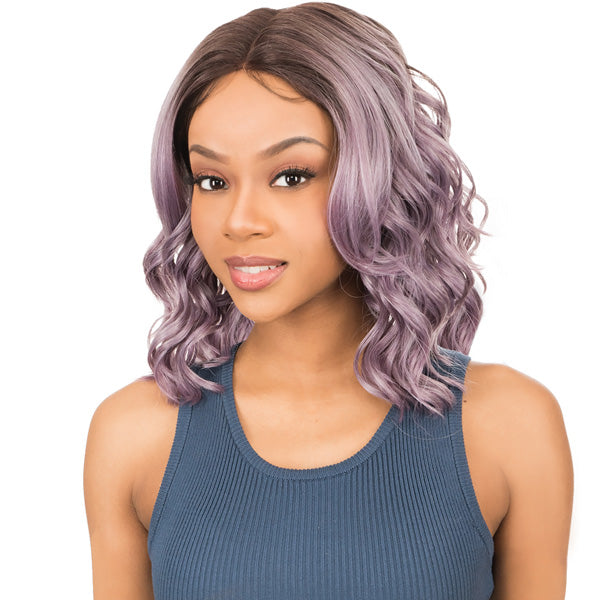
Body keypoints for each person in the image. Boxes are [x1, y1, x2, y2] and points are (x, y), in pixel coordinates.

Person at [83, 3, 573, 598]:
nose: (239, 221)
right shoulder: (135, 438)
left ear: (379, 176)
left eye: (291, 176)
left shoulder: (509, 428)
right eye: (212, 180)